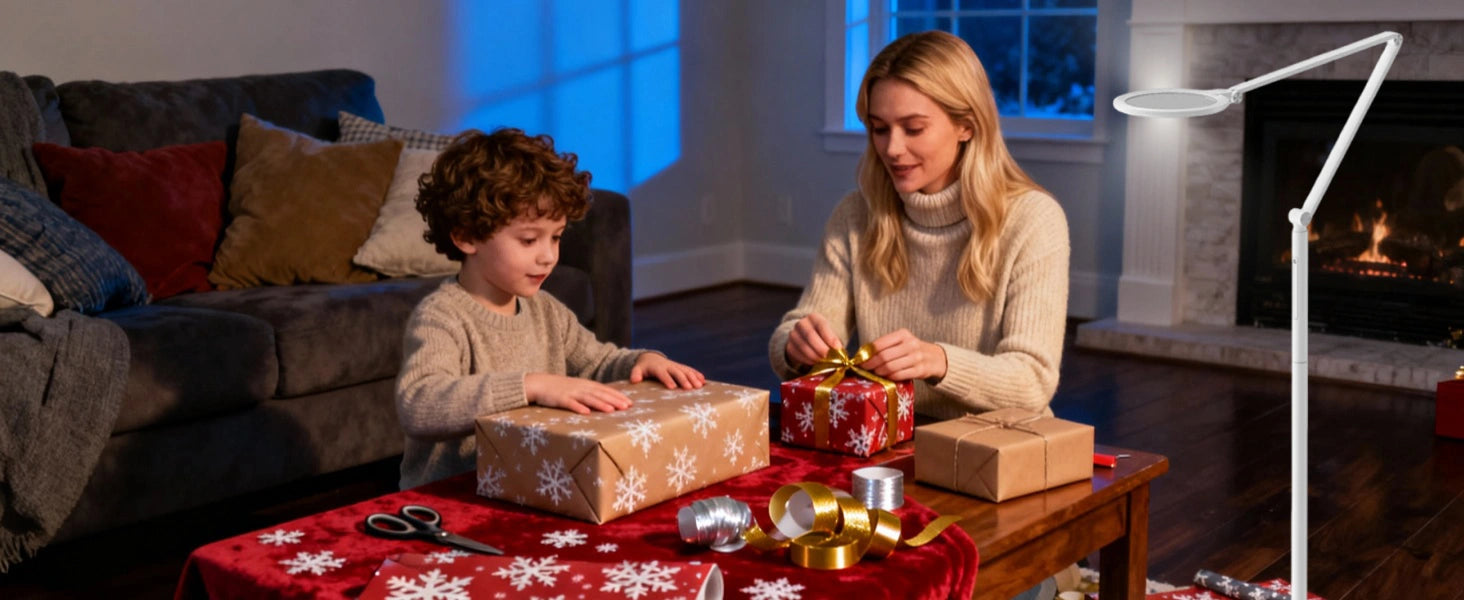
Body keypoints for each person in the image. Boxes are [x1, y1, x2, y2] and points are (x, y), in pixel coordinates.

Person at [768, 29, 1070, 422]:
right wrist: (796, 345)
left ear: (967, 125)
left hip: (1001, 444)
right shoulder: (855, 216)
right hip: (893, 437)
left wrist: (938, 361)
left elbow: (1032, 383)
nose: (892, 149)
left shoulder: (1034, 220)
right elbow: (794, 332)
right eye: (879, 129)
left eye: (913, 128)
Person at [397, 128, 705, 489]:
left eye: (556, 237)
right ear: (466, 236)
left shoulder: (546, 311)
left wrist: (642, 362)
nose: (548, 256)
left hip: (527, 485)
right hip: (454, 496)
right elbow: (419, 403)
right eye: (529, 240)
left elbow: (598, 362)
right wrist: (531, 386)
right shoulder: (442, 317)